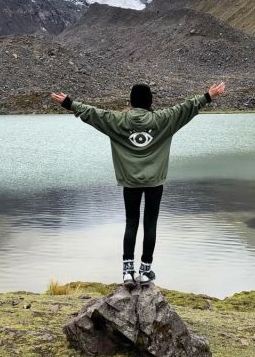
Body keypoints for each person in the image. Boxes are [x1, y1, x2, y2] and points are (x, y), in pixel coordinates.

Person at [50, 81, 226, 287]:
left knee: (131, 223)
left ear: (131, 101)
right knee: (150, 224)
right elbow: (186, 108)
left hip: (130, 183)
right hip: (155, 183)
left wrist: (69, 103)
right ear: (150, 101)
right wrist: (208, 95)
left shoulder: (118, 121)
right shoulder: (163, 119)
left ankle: (127, 273)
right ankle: (144, 272)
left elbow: (93, 114)